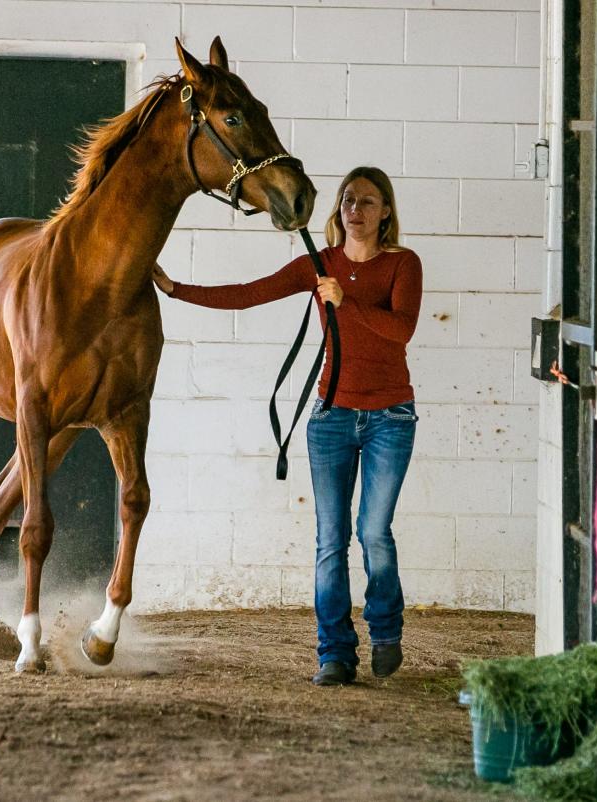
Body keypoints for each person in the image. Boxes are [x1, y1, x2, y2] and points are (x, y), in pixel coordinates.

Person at [153, 166, 423, 686]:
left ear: (385, 211)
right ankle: (335, 654)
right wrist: (177, 289)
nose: (356, 210)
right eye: (348, 200)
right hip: (330, 418)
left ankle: (386, 630)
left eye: (368, 201)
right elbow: (249, 293)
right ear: (337, 209)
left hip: (391, 416)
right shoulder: (318, 265)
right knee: (330, 539)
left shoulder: (402, 265)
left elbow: (401, 331)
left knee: (373, 532)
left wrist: (348, 304)